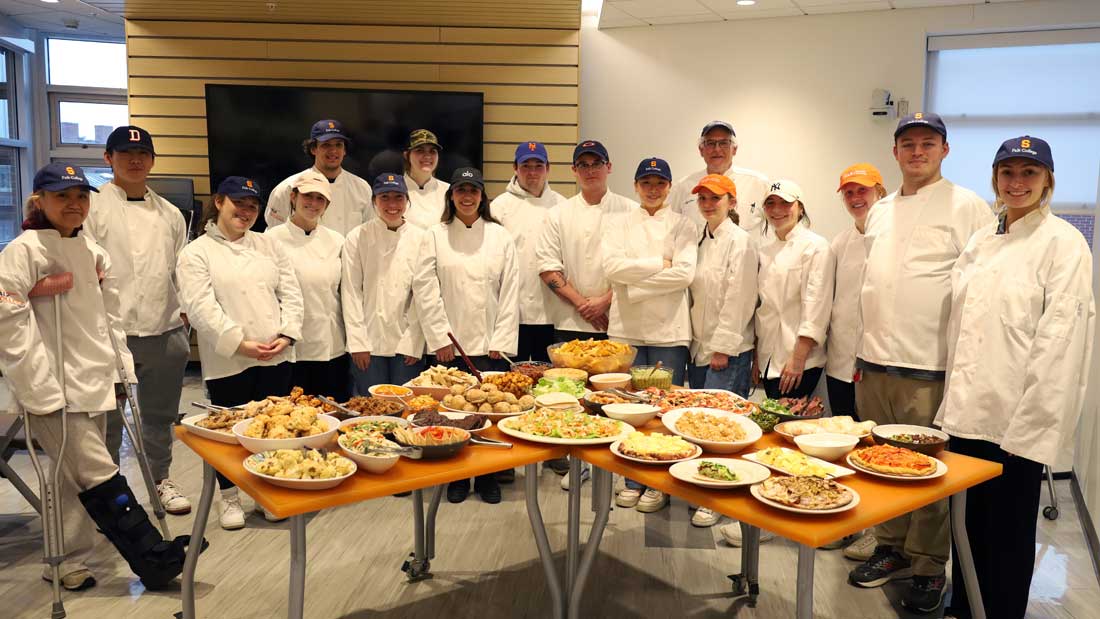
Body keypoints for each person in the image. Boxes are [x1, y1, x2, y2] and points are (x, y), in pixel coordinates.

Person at [0, 162, 197, 591]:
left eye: (80, 196)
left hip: (92, 377)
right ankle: (149, 554)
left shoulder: (92, 251)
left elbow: (110, 318)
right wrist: (36, 385)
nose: (73, 204)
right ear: (40, 201)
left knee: (73, 476)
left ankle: (68, 561)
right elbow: (7, 319)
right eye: (61, 196)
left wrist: (121, 368)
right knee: (97, 469)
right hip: (48, 384)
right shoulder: (24, 250)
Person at [938, 137, 1094, 619]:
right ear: (995, 179)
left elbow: (1059, 346)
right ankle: (965, 609)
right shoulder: (982, 239)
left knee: (1005, 539)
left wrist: (1028, 431)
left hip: (1013, 426)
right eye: (1008, 173)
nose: (1017, 183)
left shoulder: (1063, 243)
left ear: (1048, 180)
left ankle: (1000, 612)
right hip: (964, 417)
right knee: (965, 532)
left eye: (1029, 173)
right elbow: (961, 330)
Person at [850, 112, 994, 613]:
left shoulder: (967, 205)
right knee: (876, 463)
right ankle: (890, 548)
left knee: (926, 472)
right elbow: (874, 283)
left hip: (927, 364)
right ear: (894, 153)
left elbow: (979, 285)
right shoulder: (883, 209)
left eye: (927, 143)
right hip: (874, 361)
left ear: (945, 150)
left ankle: (930, 566)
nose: (917, 152)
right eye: (907, 143)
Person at [177, 176, 304, 530]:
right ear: (219, 202)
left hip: (275, 353)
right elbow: (200, 307)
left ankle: (268, 492)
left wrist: (288, 334)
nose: (246, 212)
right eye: (239, 204)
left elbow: (291, 292)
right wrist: (240, 343)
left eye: (252, 206)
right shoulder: (196, 252)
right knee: (230, 432)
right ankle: (229, 498)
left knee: (274, 429)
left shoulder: (268, 246)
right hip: (229, 359)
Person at [84, 125, 192, 516]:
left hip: (164, 330)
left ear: (151, 161)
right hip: (110, 333)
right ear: (108, 158)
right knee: (108, 421)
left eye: (143, 154)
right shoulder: (91, 208)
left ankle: (160, 480)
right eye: (125, 153)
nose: (135, 160)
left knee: (160, 416)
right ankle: (109, 496)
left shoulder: (170, 214)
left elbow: (181, 269)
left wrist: (185, 316)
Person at [412, 167, 519, 505]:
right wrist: (440, 337)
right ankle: (458, 477)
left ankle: (487, 476)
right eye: (461, 190)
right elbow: (425, 288)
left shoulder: (500, 236)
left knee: (487, 415)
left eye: (474, 190)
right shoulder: (435, 234)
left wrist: (501, 342)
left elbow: (510, 291)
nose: (467, 196)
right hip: (450, 346)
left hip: (491, 344)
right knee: (454, 415)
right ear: (452, 196)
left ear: (482, 196)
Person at [535, 139, 635, 488]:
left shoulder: (629, 209)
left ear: (609, 167)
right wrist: (584, 305)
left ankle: (617, 465)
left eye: (597, 163)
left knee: (615, 396)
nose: (591, 169)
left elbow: (635, 267)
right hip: (571, 322)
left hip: (618, 319)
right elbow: (548, 270)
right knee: (575, 398)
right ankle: (580, 462)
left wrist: (605, 301)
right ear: (574, 171)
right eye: (584, 164)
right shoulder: (558, 214)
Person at [823, 163, 887, 562]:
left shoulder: (889, 237)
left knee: (874, 449)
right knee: (844, 446)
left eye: (862, 190)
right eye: (848, 192)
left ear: (880, 191)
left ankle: (877, 532)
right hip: (840, 359)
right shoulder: (839, 243)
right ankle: (850, 523)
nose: (856, 198)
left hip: (877, 363)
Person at [686, 174, 757, 528]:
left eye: (716, 198)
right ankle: (702, 487)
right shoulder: (701, 240)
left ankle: (718, 498)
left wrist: (723, 348)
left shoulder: (740, 242)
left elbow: (740, 297)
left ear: (731, 201)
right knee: (700, 426)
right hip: (700, 348)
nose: (708, 204)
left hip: (726, 352)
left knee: (724, 430)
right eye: (703, 199)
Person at [265, 170, 349, 402]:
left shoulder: (337, 240)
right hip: (291, 347)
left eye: (320, 199)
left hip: (332, 345)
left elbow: (345, 294)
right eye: (307, 196)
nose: (313, 203)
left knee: (334, 414)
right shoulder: (271, 239)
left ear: (327, 205)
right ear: (293, 197)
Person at [343, 173, 427, 393]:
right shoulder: (357, 237)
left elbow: (423, 295)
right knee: (372, 410)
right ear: (374, 201)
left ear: (407, 201)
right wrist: (358, 342)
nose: (392, 204)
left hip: (406, 343)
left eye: (398, 197)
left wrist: (414, 341)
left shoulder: (421, 238)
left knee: (407, 406)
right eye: (385, 197)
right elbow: (351, 292)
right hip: (369, 341)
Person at [752, 179, 834, 399]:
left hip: (800, 359)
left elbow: (817, 307)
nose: (777, 210)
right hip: (770, 356)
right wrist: (759, 359)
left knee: (790, 426)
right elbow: (764, 308)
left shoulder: (816, 247)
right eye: (770, 203)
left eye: (785, 203)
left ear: (800, 208)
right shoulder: (765, 250)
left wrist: (798, 358)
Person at [490, 141, 566, 363]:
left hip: (553, 311)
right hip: (513, 313)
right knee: (512, 383)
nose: (532, 172)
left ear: (548, 168)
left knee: (551, 381)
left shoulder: (562, 205)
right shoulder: (499, 207)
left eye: (538, 165)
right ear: (515, 168)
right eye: (526, 166)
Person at [263, 119, 372, 236]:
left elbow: (370, 233)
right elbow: (273, 236)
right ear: (313, 149)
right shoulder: (289, 187)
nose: (333, 150)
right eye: (326, 145)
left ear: (344, 150)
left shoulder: (362, 188)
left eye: (338, 145)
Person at [667, 120, 770, 237]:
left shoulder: (758, 184)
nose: (717, 149)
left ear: (734, 149)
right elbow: (670, 228)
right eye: (710, 143)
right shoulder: (683, 187)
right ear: (701, 150)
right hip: (696, 255)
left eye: (724, 143)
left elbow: (777, 226)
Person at [403, 129, 450, 230]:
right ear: (407, 155)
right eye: (420, 150)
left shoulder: (449, 191)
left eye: (432, 151)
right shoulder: (393, 190)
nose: (427, 156)